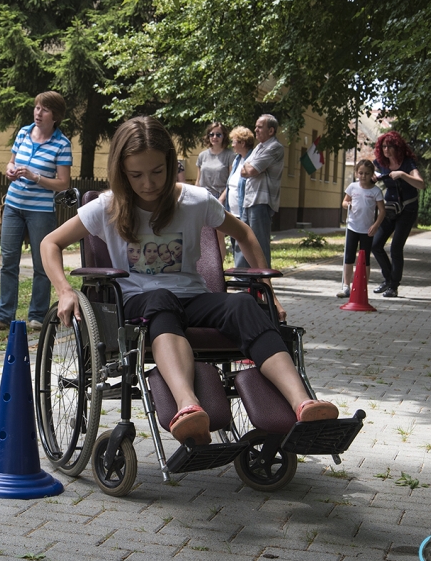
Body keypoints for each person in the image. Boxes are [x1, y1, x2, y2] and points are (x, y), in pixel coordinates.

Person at [42, 116, 338, 446]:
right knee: (161, 299)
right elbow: (49, 243)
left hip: (193, 297)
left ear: (171, 164)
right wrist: (64, 290)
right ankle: (188, 406)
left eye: (157, 171)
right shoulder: (107, 206)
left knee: (242, 304)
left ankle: (304, 403)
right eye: (136, 174)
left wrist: (270, 292)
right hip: (139, 301)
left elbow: (245, 234)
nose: (149, 183)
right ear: (121, 171)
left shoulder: (195, 201)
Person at [0, 91, 72, 333]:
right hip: (13, 205)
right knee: (8, 262)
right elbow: (11, 162)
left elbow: (63, 183)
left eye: (45, 110)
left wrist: (36, 177)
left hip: (40, 211)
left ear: (56, 116)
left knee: (43, 264)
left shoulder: (62, 144)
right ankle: (3, 316)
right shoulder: (23, 132)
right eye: (37, 108)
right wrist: (10, 170)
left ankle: (37, 316)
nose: (38, 113)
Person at [371, 131, 425, 298]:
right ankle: (388, 280)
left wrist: (402, 174)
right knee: (376, 244)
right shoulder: (380, 163)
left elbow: (421, 184)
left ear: (398, 147)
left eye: (390, 146)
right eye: (384, 146)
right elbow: (368, 175)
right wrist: (372, 178)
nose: (386, 149)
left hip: (408, 209)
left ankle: (394, 286)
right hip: (390, 208)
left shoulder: (407, 164)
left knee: (396, 248)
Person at [337, 160, 386, 298]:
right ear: (356, 173)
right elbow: (344, 202)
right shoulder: (352, 187)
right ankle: (346, 286)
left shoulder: (376, 191)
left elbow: (382, 211)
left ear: (372, 174)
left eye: (367, 173)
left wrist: (375, 226)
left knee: (364, 259)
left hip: (367, 230)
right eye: (361, 173)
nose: (363, 176)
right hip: (352, 227)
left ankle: (362, 286)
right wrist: (347, 205)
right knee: (349, 257)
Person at [241, 114, 284, 267]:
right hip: (249, 199)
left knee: (259, 242)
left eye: (260, 127)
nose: (256, 130)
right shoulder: (259, 147)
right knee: (244, 240)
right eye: (256, 126)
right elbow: (243, 169)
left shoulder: (275, 147)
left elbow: (251, 170)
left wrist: (251, 168)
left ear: (271, 130)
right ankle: (245, 278)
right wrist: (251, 168)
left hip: (262, 201)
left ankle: (264, 281)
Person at [225, 126, 255, 268]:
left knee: (240, 243)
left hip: (244, 208)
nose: (232, 145)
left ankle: (242, 275)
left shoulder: (251, 159)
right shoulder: (237, 160)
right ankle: (240, 272)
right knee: (234, 241)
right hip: (232, 209)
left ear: (242, 143)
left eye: (234, 141)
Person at [196, 122, 235, 199]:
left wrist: (221, 199)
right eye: (211, 134)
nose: (214, 137)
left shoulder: (230, 155)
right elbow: (198, 180)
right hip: (203, 196)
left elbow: (231, 182)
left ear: (224, 136)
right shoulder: (202, 155)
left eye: (218, 134)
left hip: (221, 197)